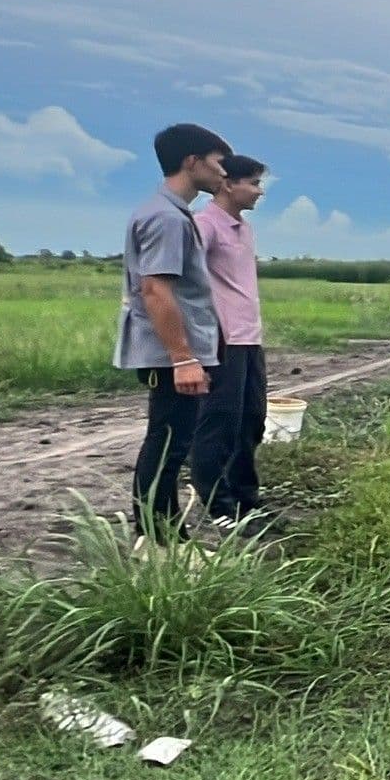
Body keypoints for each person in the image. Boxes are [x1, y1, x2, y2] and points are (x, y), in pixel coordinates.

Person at [116, 122, 230, 534]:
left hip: (174, 350)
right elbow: (155, 289)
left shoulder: (169, 213)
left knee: (169, 443)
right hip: (171, 353)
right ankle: (157, 539)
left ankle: (163, 535)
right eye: (219, 164)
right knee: (168, 445)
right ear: (192, 162)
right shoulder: (166, 218)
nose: (224, 173)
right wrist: (184, 358)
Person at [190, 152, 268, 526]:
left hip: (249, 340)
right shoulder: (204, 225)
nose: (259, 191)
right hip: (222, 341)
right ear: (227, 183)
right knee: (219, 422)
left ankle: (245, 499)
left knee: (251, 420)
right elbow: (183, 282)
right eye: (252, 182)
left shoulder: (243, 228)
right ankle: (217, 504)